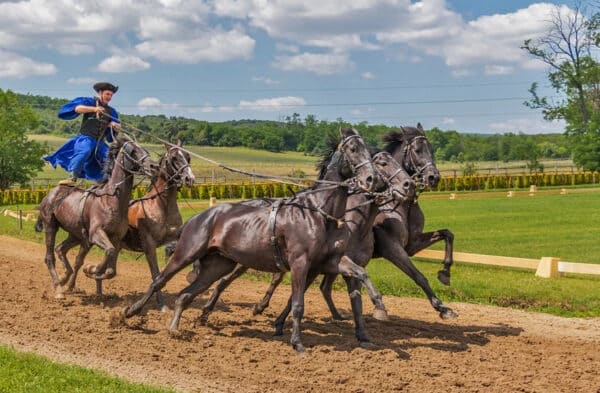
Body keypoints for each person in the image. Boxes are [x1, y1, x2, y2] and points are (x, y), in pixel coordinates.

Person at [44, 82, 121, 185]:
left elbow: (116, 127)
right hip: (86, 138)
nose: (109, 97)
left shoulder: (112, 111)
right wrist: (94, 109)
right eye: (107, 94)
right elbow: (77, 108)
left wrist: (115, 125)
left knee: (112, 158)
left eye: (111, 95)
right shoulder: (89, 102)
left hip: (100, 142)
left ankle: (107, 182)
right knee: (84, 151)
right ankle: (72, 177)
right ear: (100, 92)